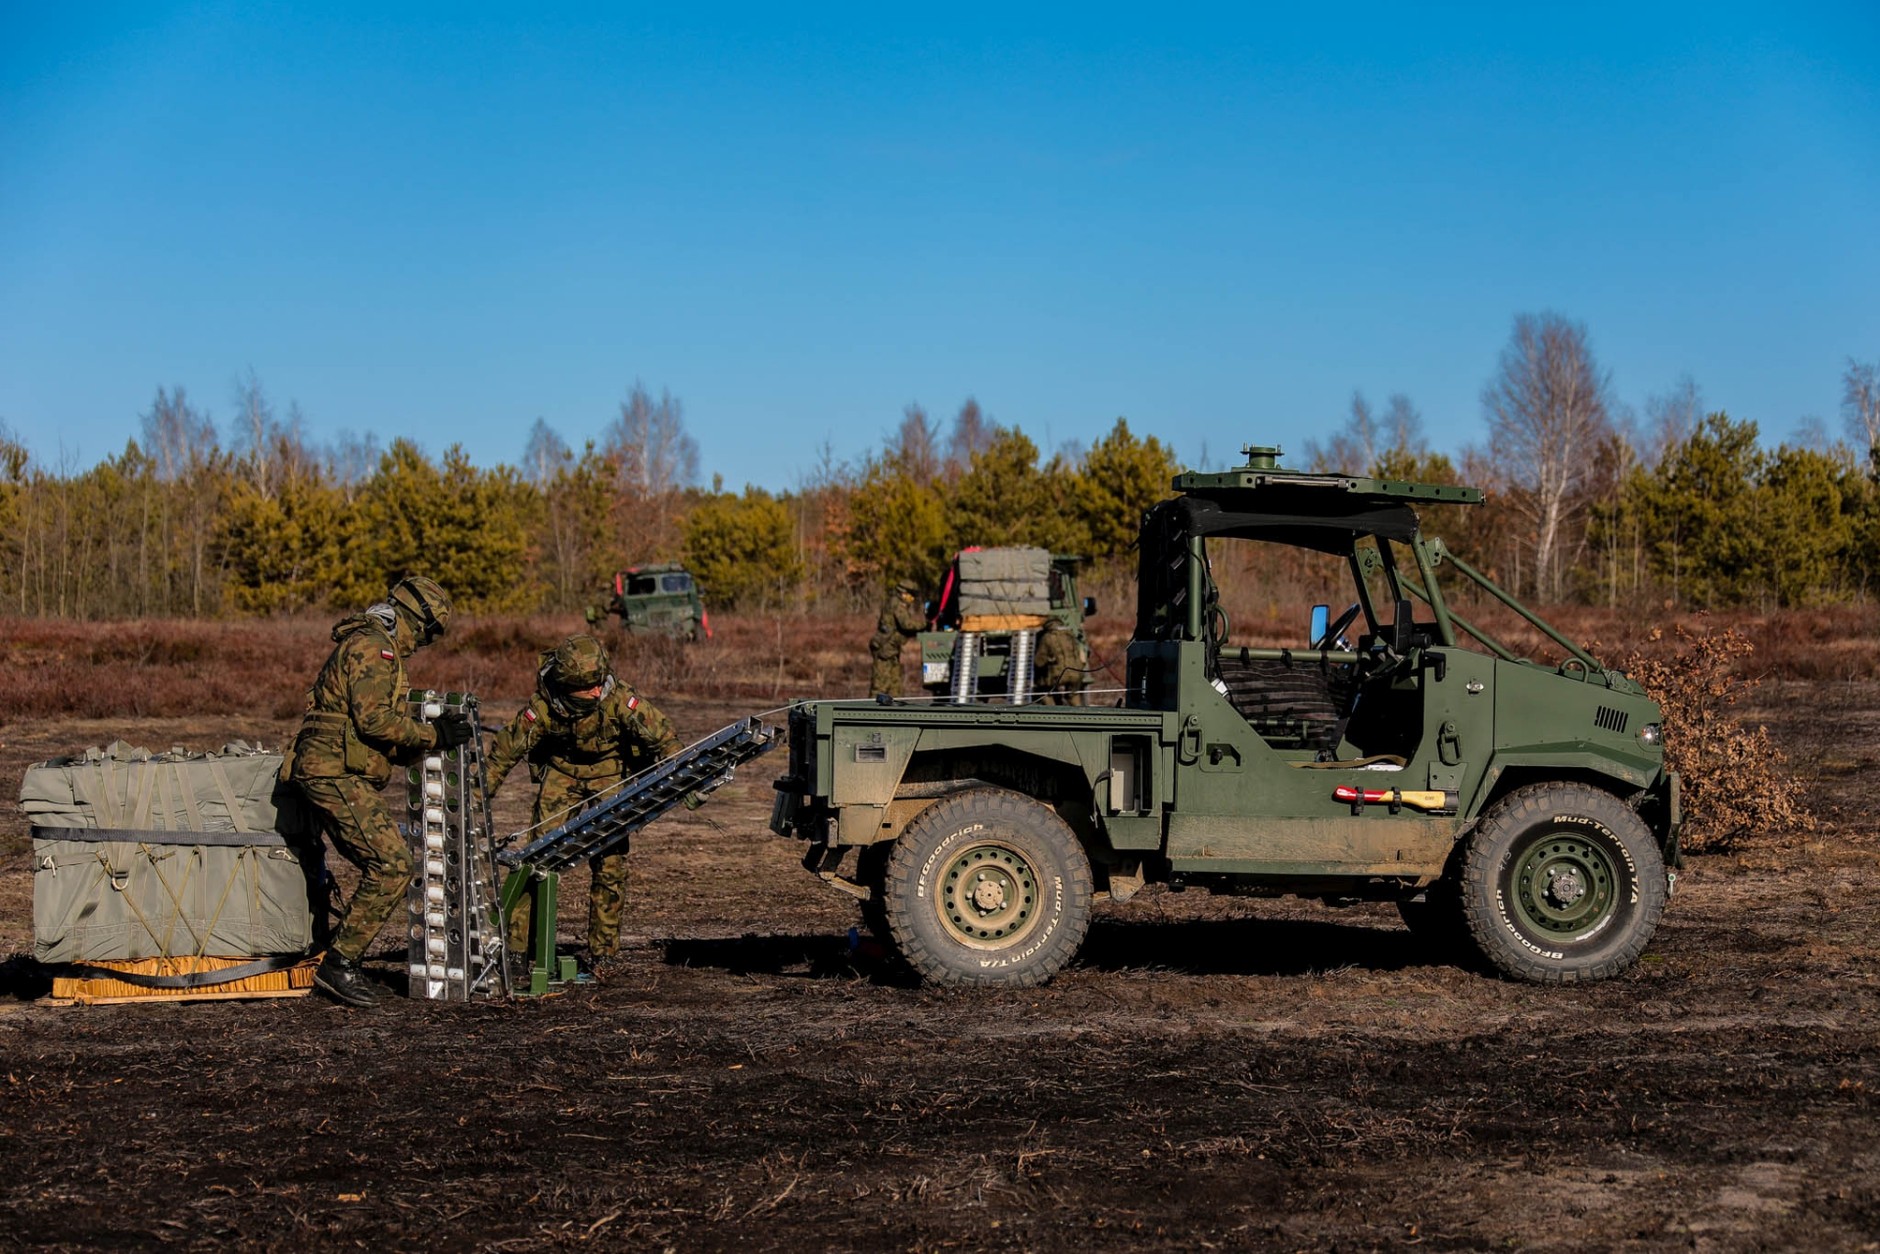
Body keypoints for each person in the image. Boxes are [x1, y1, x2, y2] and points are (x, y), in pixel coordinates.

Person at [292, 575, 469, 1008]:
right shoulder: (376, 647)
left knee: (381, 863)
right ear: (415, 621)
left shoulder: (374, 644)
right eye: (426, 635)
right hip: (332, 772)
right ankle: (339, 963)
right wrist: (432, 736)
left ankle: (333, 953)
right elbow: (373, 721)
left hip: (335, 769)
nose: (421, 645)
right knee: (391, 865)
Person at [484, 634, 682, 973]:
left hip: (610, 774)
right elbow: (504, 752)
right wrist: (478, 797)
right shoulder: (544, 707)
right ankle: (516, 949)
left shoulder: (619, 699)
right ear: (566, 687)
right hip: (562, 772)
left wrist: (682, 778)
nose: (596, 691)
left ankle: (603, 953)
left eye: (599, 682)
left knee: (611, 863)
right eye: (587, 687)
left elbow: (665, 737)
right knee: (534, 859)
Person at [868, 578, 927, 698]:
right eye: (911, 595)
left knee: (895, 686)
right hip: (884, 650)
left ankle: (894, 711)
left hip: (891, 650)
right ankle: (871, 712)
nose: (912, 598)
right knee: (880, 685)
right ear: (903, 593)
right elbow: (906, 624)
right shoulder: (897, 604)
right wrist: (924, 625)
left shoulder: (894, 603)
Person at [1033, 617, 1088, 705]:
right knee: (1073, 695)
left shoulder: (1047, 637)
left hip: (1058, 674)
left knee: (1045, 692)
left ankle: (1052, 713)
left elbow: (1039, 661)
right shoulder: (1070, 635)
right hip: (1076, 673)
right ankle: (1079, 714)